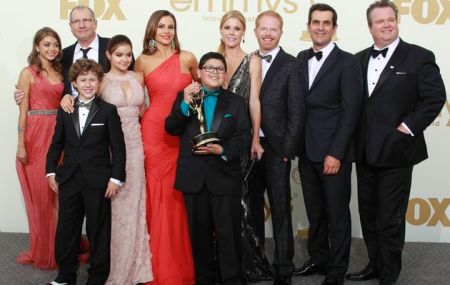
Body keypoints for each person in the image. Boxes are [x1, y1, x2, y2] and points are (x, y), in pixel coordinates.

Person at [345, 1, 446, 285]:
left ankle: (389, 274)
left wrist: (409, 126)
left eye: (391, 19)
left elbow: (435, 97)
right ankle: (375, 264)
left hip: (397, 152)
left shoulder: (418, 56)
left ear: (397, 21)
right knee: (369, 215)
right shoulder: (358, 59)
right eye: (380, 21)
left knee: (389, 218)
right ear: (370, 27)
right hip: (364, 152)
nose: (387, 25)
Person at [165, 51, 250, 285]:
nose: (214, 72)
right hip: (194, 177)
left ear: (225, 76)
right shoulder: (185, 96)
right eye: (209, 68)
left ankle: (232, 279)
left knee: (229, 235)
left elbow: (244, 136)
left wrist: (221, 150)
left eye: (219, 69)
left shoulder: (234, 101)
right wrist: (183, 103)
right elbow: (171, 128)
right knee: (199, 236)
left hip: (224, 176)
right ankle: (205, 280)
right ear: (199, 72)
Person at [294, 4, 363, 285]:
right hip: (306, 150)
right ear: (308, 26)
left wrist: (336, 152)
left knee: (337, 213)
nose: (320, 27)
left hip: (333, 152)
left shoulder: (348, 62)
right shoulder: (300, 57)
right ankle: (318, 258)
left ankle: (336, 270)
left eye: (326, 23)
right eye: (315, 22)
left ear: (334, 28)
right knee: (315, 212)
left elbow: (351, 112)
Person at [46, 58, 126, 285]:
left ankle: (98, 277)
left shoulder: (109, 111)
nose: (88, 84)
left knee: (97, 230)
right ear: (74, 82)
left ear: (100, 82)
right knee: (66, 228)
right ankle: (65, 275)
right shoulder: (65, 109)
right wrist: (50, 171)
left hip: (99, 180)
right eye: (83, 80)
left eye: (93, 79)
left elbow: (118, 148)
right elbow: (56, 143)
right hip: (69, 178)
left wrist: (115, 178)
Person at [134, 10, 198, 285]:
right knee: (153, 194)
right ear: (152, 29)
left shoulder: (187, 58)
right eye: (161, 26)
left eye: (171, 26)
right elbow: (137, 100)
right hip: (152, 132)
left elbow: (205, 86)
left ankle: (176, 264)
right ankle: (151, 266)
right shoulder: (142, 61)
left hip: (180, 132)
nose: (167, 31)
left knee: (176, 196)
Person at [248, 10, 304, 285]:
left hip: (276, 148)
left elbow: (296, 111)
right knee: (252, 209)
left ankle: (284, 268)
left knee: (281, 209)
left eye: (274, 29)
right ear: (255, 31)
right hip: (249, 147)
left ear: (281, 33)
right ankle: (257, 262)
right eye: (263, 29)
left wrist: (287, 150)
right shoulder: (248, 61)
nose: (268, 34)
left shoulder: (292, 64)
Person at [218, 10, 273, 282]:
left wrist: (255, 139)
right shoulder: (212, 60)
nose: (231, 32)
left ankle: (247, 263)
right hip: (217, 141)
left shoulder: (253, 60)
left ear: (243, 32)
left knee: (241, 203)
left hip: (241, 139)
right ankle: (222, 263)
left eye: (236, 28)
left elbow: (254, 101)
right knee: (220, 204)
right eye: (227, 27)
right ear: (221, 30)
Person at [101, 35, 153, 284]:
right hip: (110, 148)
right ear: (109, 55)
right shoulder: (100, 81)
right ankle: (114, 268)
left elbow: (143, 110)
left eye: (128, 54)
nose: (125, 59)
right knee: (115, 207)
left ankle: (136, 267)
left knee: (135, 204)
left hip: (135, 146)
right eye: (119, 54)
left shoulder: (136, 78)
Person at [15, 27, 64, 270]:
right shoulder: (28, 73)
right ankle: (45, 250)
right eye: (46, 44)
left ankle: (60, 248)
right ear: (37, 47)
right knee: (43, 196)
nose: (52, 49)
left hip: (59, 136)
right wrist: (20, 143)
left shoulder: (62, 70)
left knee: (58, 196)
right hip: (35, 135)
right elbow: (23, 110)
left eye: (55, 44)